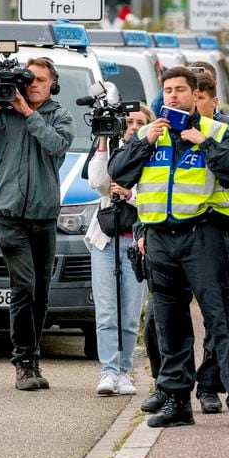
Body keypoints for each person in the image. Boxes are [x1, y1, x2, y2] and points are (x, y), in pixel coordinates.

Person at [109, 67, 229, 428]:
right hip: (160, 238)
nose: (172, 96)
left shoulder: (217, 131)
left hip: (203, 234)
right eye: (167, 91)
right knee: (170, 324)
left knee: (223, 320)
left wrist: (201, 143)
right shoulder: (149, 134)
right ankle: (177, 400)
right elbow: (119, 173)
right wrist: (145, 142)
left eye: (180, 90)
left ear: (195, 95)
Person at [0, 57, 75, 391]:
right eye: (29, 79)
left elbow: (57, 146)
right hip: (9, 215)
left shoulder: (60, 116)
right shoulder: (3, 114)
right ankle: (23, 361)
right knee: (24, 287)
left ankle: (33, 356)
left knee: (41, 294)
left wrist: (29, 114)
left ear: (52, 84)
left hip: (44, 217)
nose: (33, 85)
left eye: (41, 80)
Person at [86, 104, 152, 396]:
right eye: (129, 121)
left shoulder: (153, 154)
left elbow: (155, 195)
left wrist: (129, 194)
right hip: (106, 240)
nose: (133, 126)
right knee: (106, 310)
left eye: (140, 122)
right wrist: (103, 140)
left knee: (129, 312)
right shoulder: (115, 150)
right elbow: (98, 183)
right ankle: (108, 371)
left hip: (137, 243)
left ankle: (124, 372)